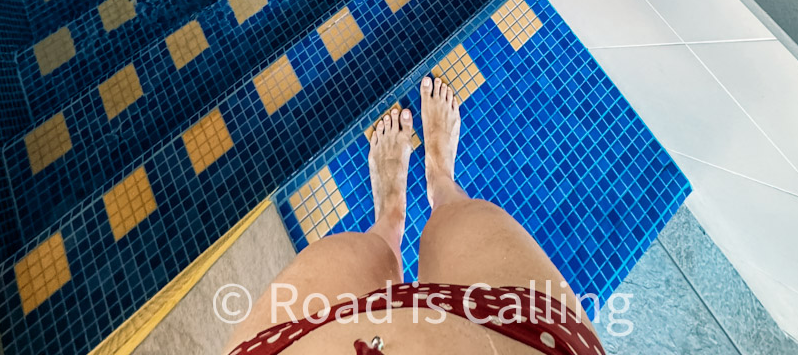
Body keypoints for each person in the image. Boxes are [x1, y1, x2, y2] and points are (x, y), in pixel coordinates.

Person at [226, 76, 607, 355]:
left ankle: (394, 212)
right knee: (461, 217)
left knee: (373, 249)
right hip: (526, 336)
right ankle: (438, 178)